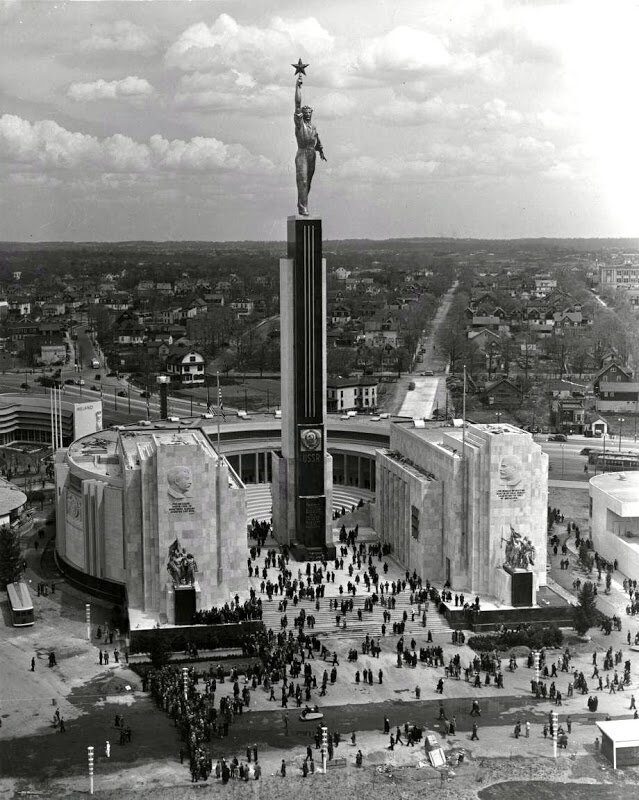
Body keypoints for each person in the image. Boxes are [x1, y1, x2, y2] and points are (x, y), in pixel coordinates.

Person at [293, 74, 326, 216]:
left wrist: (321, 151)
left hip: (312, 154)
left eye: (309, 112)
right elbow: (297, 105)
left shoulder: (313, 127)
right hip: (302, 153)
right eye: (304, 112)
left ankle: (303, 204)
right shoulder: (299, 124)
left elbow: (317, 140)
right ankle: (303, 207)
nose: (306, 114)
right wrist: (298, 86)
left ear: (311, 113)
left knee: (308, 183)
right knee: (303, 181)